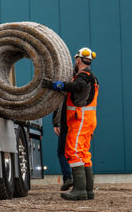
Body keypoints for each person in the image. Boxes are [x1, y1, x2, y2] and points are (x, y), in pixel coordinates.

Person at [42, 47, 99, 201]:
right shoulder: (90, 76)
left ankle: (79, 190)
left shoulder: (84, 76)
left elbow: (76, 86)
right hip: (87, 119)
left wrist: (56, 85)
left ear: (78, 60)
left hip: (80, 119)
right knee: (83, 154)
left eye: (76, 60)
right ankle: (88, 190)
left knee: (73, 152)